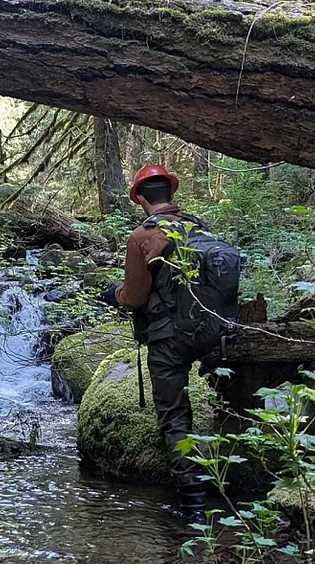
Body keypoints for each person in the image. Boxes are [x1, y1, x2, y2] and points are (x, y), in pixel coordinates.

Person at [101, 164, 240, 512]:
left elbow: (135, 297)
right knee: (230, 400)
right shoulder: (198, 226)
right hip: (216, 331)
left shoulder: (142, 236)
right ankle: (238, 481)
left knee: (174, 415)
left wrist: (114, 295)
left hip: (170, 339)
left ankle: (192, 504)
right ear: (172, 193)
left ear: (140, 198)